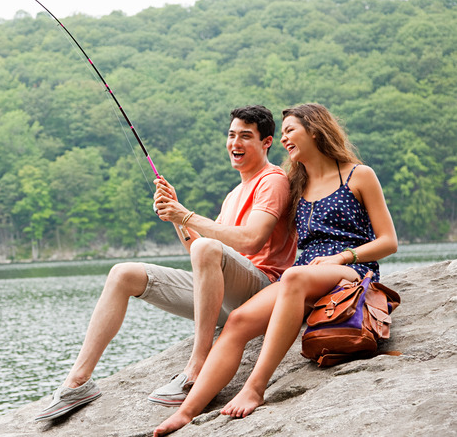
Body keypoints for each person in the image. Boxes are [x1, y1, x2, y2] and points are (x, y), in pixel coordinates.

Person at [35, 105, 297, 422]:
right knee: (123, 274)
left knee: (206, 246)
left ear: (267, 142)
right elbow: (199, 254)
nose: (235, 144)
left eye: (245, 136)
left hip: (261, 294)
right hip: (227, 296)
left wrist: (185, 214)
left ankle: (198, 366)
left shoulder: (273, 180)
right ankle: (78, 382)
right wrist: (176, 215)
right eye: (231, 135)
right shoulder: (233, 195)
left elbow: (251, 240)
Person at [152, 103, 398, 436]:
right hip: (305, 276)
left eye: (290, 131)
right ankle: (186, 411)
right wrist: (180, 218)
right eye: (281, 134)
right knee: (237, 322)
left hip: (351, 273)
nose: (283, 139)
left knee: (294, 277)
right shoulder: (296, 183)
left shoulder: (358, 175)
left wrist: (342, 258)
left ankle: (255, 386)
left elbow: (388, 241)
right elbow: (245, 238)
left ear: (314, 130)